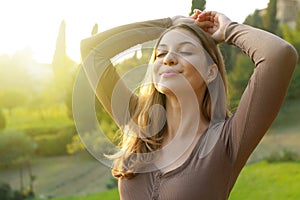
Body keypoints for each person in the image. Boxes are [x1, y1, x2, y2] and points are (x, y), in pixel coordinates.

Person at [80, 9, 297, 200]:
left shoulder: (227, 140)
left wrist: (228, 30)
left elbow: (278, 55)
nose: (168, 59)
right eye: (161, 53)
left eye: (185, 51)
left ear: (210, 72)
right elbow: (92, 51)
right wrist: (167, 24)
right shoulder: (139, 124)